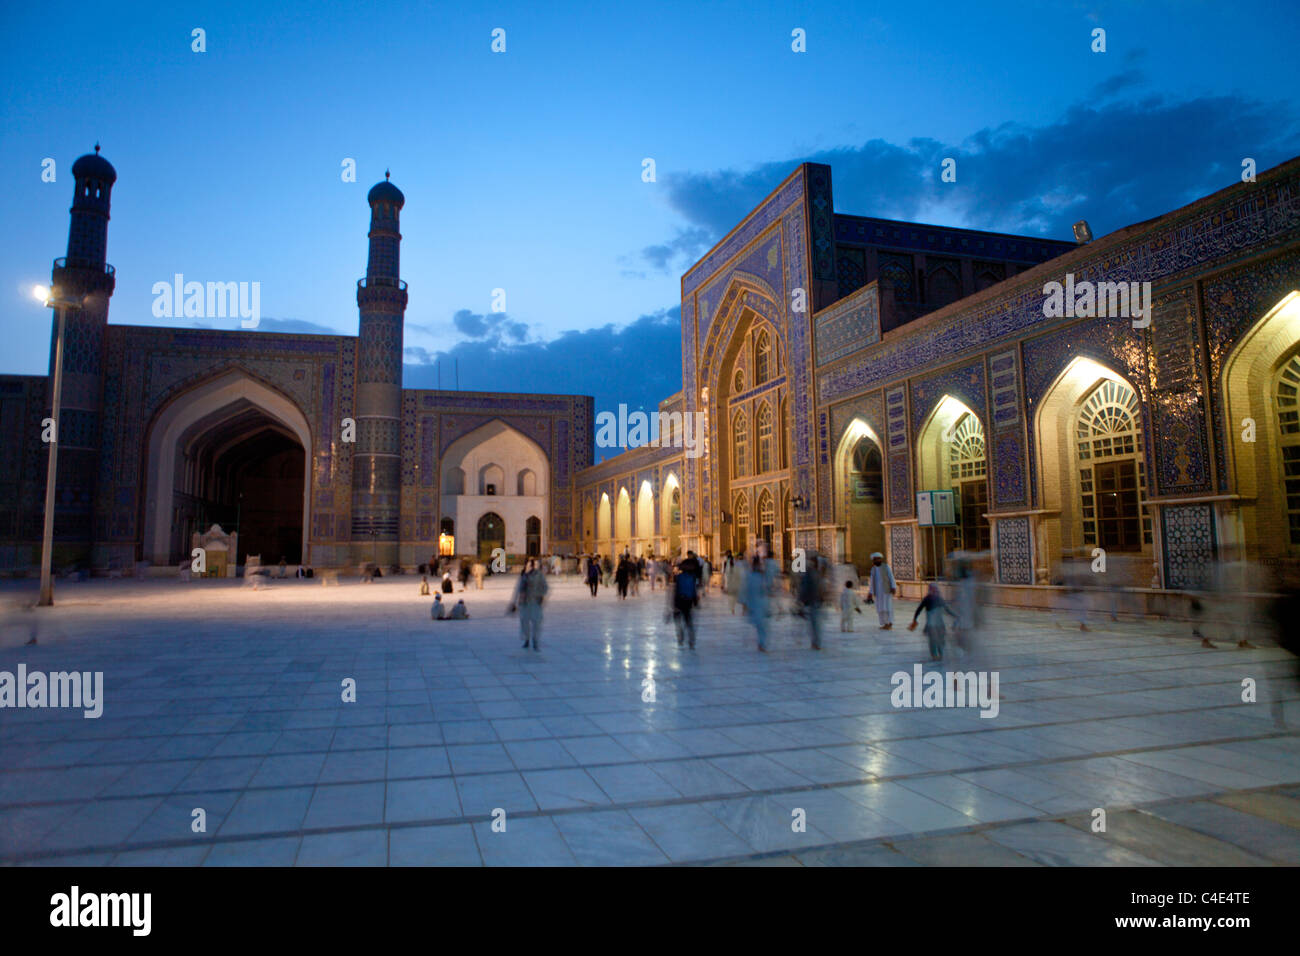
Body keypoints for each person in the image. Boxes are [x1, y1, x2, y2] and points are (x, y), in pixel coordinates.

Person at [909, 583, 956, 661]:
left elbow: (947, 610)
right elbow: (919, 609)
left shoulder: (937, 599)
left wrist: (955, 615)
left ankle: (938, 654)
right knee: (934, 641)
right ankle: (935, 655)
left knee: (938, 640)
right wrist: (914, 619)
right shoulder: (928, 599)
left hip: (938, 625)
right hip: (933, 625)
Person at [509, 558, 548, 650]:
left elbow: (545, 587)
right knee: (524, 623)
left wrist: (541, 595)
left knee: (536, 623)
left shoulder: (539, 575)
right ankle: (526, 639)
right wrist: (514, 602)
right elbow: (518, 590)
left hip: (535, 602)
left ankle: (535, 640)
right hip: (524, 603)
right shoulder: (523, 576)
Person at [797, 554, 826, 649]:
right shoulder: (813, 573)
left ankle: (815, 642)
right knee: (815, 624)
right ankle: (816, 642)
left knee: (815, 624)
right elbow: (805, 587)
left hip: (814, 601)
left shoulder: (813, 573)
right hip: (814, 601)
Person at [669, 559, 699, 648]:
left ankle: (681, 637)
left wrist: (673, 604)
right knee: (688, 621)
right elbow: (694, 591)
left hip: (679, 601)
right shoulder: (693, 577)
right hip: (688, 602)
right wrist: (695, 602)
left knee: (679, 621)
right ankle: (691, 640)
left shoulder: (679, 577)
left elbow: (676, 590)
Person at [745, 554, 771, 651]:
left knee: (761, 625)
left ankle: (762, 643)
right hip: (757, 603)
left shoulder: (759, 576)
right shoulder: (752, 576)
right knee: (761, 625)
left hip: (760, 603)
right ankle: (761, 643)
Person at [866, 552, 897, 629]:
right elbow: (872, 582)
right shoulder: (873, 569)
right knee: (880, 608)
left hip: (887, 591)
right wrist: (870, 592)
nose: (876, 561)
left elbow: (891, 577)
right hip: (878, 592)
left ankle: (890, 623)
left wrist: (893, 587)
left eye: (877, 559)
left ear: (880, 559)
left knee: (888, 607)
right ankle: (884, 623)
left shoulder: (886, 567)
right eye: (874, 560)